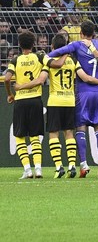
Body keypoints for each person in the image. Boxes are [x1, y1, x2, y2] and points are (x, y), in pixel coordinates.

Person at [48, 20, 98, 177]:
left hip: (82, 92)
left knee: (80, 128)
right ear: (94, 33)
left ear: (81, 33)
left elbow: (54, 53)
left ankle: (83, 164)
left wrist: (48, 57)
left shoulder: (77, 45)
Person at [14, 32, 98, 179]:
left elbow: (41, 79)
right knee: (69, 133)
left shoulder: (50, 60)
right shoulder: (72, 60)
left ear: (53, 46)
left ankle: (59, 166)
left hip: (54, 100)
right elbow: (84, 77)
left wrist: (21, 87)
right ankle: (72, 165)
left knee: (53, 134)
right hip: (69, 101)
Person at [4, 30, 44, 179]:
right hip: (36, 100)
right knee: (35, 136)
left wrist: (9, 94)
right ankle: (38, 168)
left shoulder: (15, 60)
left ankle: (27, 169)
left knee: (20, 136)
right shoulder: (39, 57)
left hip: (20, 101)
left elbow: (7, 79)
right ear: (34, 44)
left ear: (19, 44)